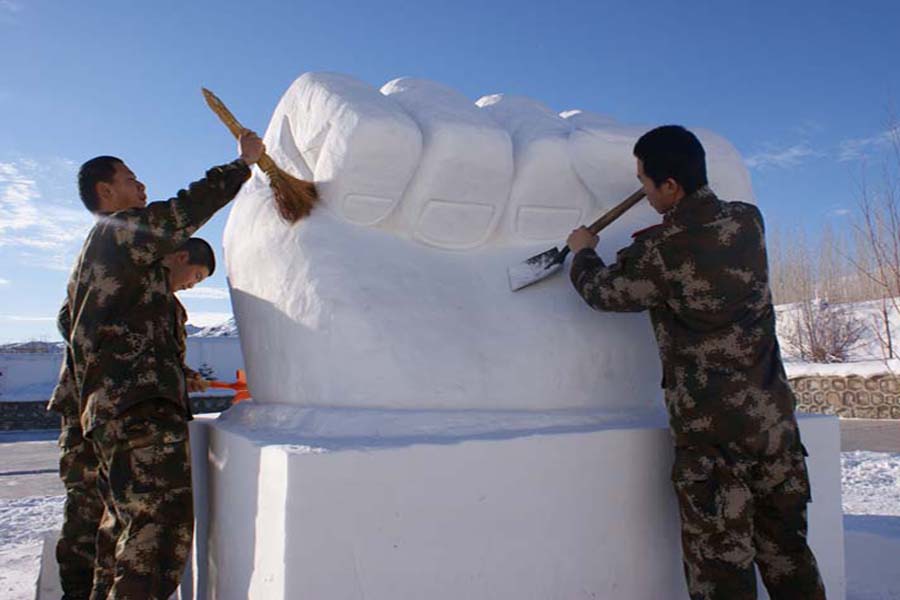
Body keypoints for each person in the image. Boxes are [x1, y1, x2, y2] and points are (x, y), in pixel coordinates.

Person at [566, 125, 826, 600]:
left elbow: (603, 293)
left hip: (714, 445)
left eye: (646, 182)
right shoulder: (748, 222)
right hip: (774, 430)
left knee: (722, 577)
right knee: (790, 559)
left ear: (671, 185)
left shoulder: (661, 253)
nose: (643, 192)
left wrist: (583, 252)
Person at [57, 129, 263, 599]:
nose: (142, 186)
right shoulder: (119, 231)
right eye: (131, 179)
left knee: (122, 535)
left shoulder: (110, 264)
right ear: (106, 192)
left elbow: (73, 323)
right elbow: (181, 213)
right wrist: (241, 165)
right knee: (157, 535)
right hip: (138, 411)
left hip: (113, 412)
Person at [49, 236, 220, 599]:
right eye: (196, 275)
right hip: (94, 407)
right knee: (89, 508)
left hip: (127, 412)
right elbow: (75, 321)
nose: (192, 284)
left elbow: (158, 354)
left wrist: (183, 373)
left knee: (118, 517)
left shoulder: (170, 307)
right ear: (180, 255)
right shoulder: (128, 279)